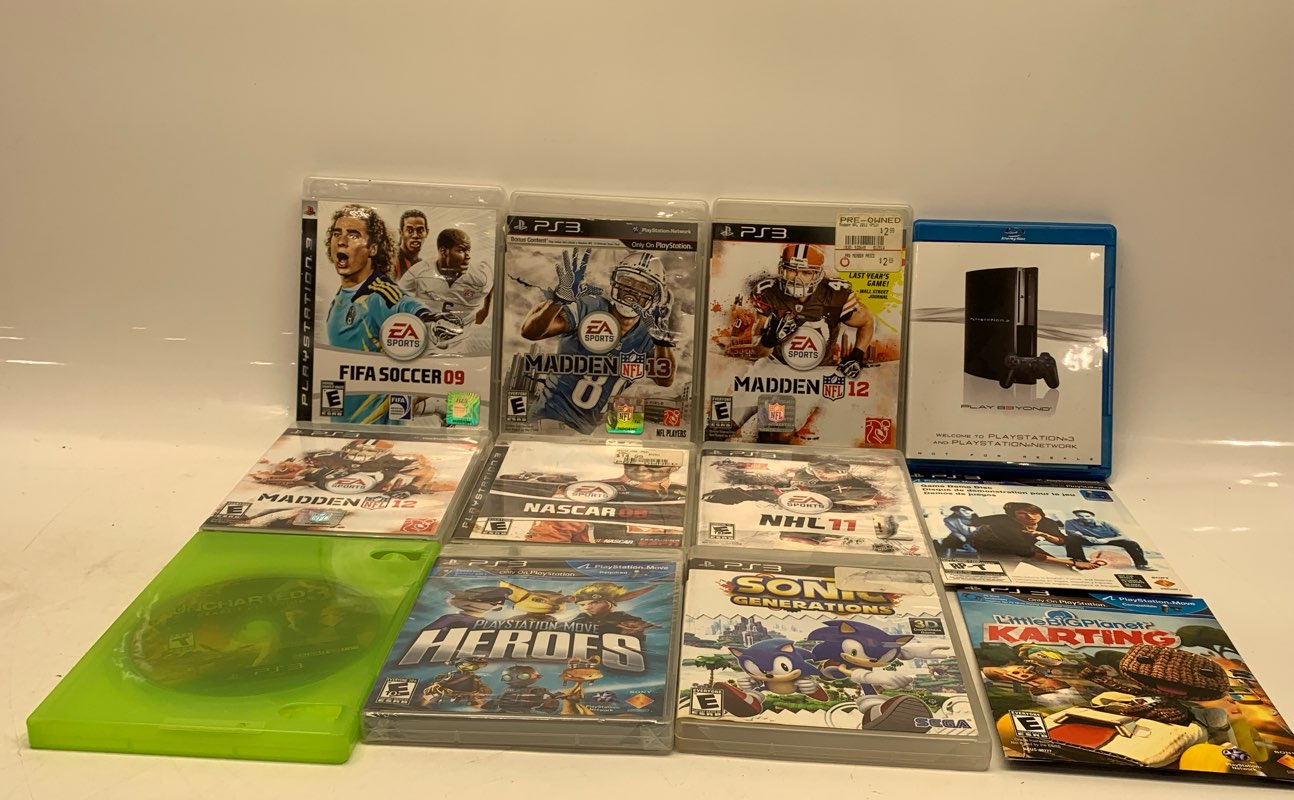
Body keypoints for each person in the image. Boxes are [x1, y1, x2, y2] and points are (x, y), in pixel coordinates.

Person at [728, 244, 876, 443]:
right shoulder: (769, 292)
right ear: (782, 269)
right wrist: (770, 337)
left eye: (806, 272)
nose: (797, 278)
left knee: (775, 433)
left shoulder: (834, 295)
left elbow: (866, 321)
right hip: (772, 367)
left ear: (818, 274)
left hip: (809, 375)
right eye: (792, 270)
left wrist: (857, 356)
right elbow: (758, 351)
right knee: (722, 424)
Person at [519, 248, 676, 434]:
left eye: (644, 287)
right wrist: (558, 300)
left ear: (656, 297)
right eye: (627, 281)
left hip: (586, 430)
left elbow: (665, 380)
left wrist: (661, 339)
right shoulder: (591, 306)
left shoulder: (649, 335)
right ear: (615, 280)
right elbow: (531, 332)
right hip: (550, 418)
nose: (633, 292)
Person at [323, 204, 437, 424]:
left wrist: (429, 318)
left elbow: (405, 305)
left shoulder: (377, 293)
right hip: (344, 430)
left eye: (353, 235)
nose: (342, 241)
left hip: (379, 433)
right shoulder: (341, 295)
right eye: (337, 233)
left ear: (373, 249)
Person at [397, 227, 494, 351]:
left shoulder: (479, 274)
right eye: (461, 250)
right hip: (427, 338)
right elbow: (396, 297)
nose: (468, 256)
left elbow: (494, 275)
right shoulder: (419, 271)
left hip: (464, 339)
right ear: (443, 251)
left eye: (468, 251)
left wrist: (486, 309)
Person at [970, 502, 1099, 570]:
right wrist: (1074, 563)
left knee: (1063, 569)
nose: (1030, 517)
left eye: (1034, 513)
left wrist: (1045, 535)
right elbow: (1027, 553)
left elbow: (1061, 540)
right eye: (1022, 514)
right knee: (1002, 572)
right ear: (1013, 516)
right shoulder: (1005, 525)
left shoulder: (1046, 522)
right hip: (992, 548)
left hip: (1025, 546)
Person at [1064, 509, 1151, 569]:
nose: (1084, 518)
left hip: (1109, 540)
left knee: (1132, 543)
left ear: (1093, 516)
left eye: (1087, 516)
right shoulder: (1070, 522)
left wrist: (1107, 540)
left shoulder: (1106, 523)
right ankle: (1080, 561)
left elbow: (1123, 536)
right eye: (1080, 516)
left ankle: (1141, 564)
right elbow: (1072, 532)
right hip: (1090, 539)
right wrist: (1087, 537)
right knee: (1070, 539)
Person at [392, 210, 428, 280]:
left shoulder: (423, 265)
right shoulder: (391, 261)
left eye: (420, 230)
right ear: (401, 233)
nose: (415, 235)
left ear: (427, 232)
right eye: (409, 230)